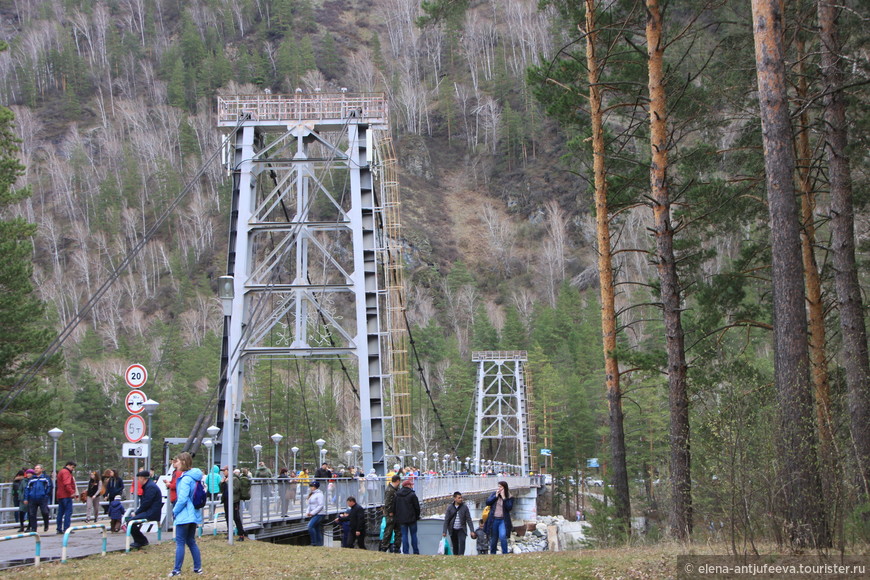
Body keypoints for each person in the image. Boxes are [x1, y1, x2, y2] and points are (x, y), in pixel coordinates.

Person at [169, 452, 203, 577]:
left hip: (184, 514)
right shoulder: (195, 477)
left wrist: (175, 511)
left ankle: (176, 569)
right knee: (191, 541)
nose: (175, 463)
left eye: (176, 461)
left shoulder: (185, 479)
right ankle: (198, 567)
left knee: (180, 542)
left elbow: (182, 499)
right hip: (193, 514)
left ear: (183, 462)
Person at [129, 470, 162, 549]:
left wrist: (137, 513)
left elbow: (146, 503)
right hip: (150, 511)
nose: (138, 480)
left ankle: (141, 541)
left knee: (130, 522)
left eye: (139, 478)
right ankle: (141, 540)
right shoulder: (149, 485)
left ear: (143, 478)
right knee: (130, 521)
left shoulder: (150, 487)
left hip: (152, 512)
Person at [442, 491, 476, 556]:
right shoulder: (450, 507)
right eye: (459, 498)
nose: (461, 499)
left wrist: (472, 530)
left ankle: (461, 556)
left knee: (462, 542)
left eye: (461, 498)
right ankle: (456, 556)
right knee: (455, 545)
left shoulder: (464, 507)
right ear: (455, 499)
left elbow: (469, 519)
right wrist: (444, 531)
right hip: (453, 529)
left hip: (462, 529)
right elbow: (446, 520)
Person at [484, 481, 514, 554]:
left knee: (503, 536)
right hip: (494, 519)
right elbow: (487, 502)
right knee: (494, 538)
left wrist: (504, 498)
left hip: (503, 520)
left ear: (505, 488)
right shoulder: (494, 494)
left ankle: (505, 553)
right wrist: (495, 496)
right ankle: (493, 553)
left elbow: (509, 507)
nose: (499, 488)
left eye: (501, 487)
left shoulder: (509, 496)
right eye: (499, 486)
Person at [219, 467, 247, 542]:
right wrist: (222, 483)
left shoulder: (235, 479)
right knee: (227, 517)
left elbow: (235, 489)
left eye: (224, 471)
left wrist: (228, 482)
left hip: (234, 501)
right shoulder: (225, 479)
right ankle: (229, 533)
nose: (223, 473)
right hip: (226, 500)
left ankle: (241, 534)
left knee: (236, 517)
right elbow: (221, 490)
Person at [394, 479, 421, 555]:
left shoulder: (397, 494)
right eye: (411, 485)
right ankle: (415, 551)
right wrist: (417, 516)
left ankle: (406, 551)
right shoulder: (412, 495)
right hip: (412, 518)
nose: (412, 486)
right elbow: (417, 507)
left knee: (404, 535)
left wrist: (396, 516)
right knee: (413, 535)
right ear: (408, 485)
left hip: (402, 519)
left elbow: (395, 507)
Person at [24, 464, 52, 533]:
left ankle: (46, 524)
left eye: (38, 468)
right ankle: (34, 528)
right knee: (32, 514)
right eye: (35, 468)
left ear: (42, 469)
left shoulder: (46, 478)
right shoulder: (32, 479)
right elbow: (27, 489)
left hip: (42, 498)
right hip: (32, 498)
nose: (36, 469)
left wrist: (45, 495)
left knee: (44, 512)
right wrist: (26, 498)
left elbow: (50, 487)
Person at [379, 474, 400, 552]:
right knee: (389, 530)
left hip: (396, 513)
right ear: (397, 481)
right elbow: (387, 502)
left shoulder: (394, 489)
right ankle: (384, 546)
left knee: (397, 530)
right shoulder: (390, 490)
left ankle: (396, 547)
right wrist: (390, 511)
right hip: (391, 514)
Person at [55, 461, 78, 534]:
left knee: (60, 513)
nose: (73, 469)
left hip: (60, 495)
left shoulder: (61, 471)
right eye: (72, 467)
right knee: (68, 512)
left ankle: (59, 528)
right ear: (69, 465)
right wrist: (72, 492)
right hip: (66, 495)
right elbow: (67, 483)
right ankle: (66, 528)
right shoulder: (66, 472)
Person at [305, 481, 325, 546]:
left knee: (310, 526)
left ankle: (313, 542)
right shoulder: (312, 494)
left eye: (312, 486)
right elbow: (310, 505)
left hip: (319, 513)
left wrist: (312, 513)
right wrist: (308, 512)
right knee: (317, 528)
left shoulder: (319, 494)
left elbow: (320, 505)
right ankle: (319, 543)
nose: (311, 488)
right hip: (314, 513)